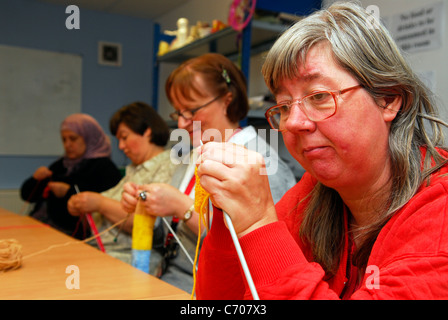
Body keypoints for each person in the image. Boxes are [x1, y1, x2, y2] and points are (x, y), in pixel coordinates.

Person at [194, 1, 448, 300]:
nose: (294, 122)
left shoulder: (439, 210)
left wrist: (258, 224)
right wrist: (231, 215)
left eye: (318, 96)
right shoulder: (312, 193)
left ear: (388, 99)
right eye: (285, 106)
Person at [121, 53, 296, 293]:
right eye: (177, 113)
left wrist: (182, 207)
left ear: (227, 100)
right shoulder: (191, 154)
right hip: (170, 279)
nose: (182, 124)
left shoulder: (261, 164)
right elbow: (170, 236)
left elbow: (261, 256)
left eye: (191, 111)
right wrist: (147, 205)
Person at [67, 102, 177, 264]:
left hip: (133, 259)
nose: (121, 146)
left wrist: (100, 204)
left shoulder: (169, 166)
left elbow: (150, 225)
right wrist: (81, 204)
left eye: (124, 137)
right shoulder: (134, 169)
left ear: (147, 131)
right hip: (106, 252)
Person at [21, 113, 122, 240]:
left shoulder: (104, 168)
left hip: (71, 235)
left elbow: (106, 204)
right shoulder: (61, 164)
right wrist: (35, 179)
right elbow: (27, 196)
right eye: (64, 140)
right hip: (41, 227)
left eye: (73, 139)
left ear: (89, 138)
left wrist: (68, 192)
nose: (67, 145)